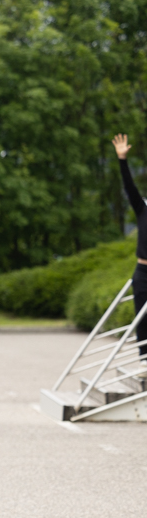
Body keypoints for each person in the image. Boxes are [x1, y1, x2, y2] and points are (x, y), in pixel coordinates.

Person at [113, 134, 147, 356]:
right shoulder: (143, 209)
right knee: (142, 319)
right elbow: (129, 187)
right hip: (142, 271)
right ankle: (145, 360)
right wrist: (122, 160)